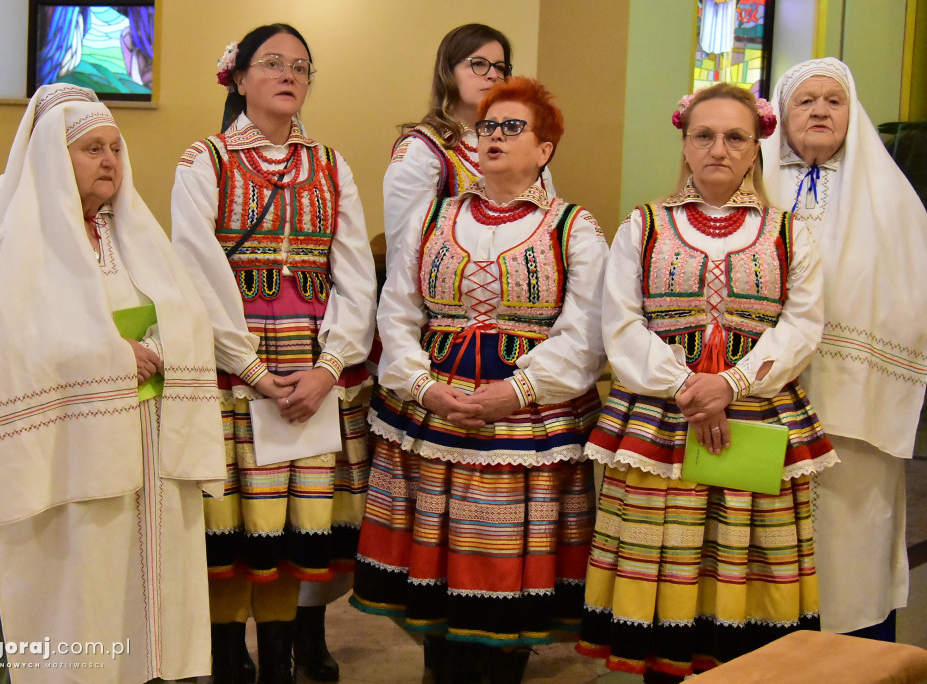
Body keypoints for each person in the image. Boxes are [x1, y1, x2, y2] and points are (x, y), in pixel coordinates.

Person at [0, 84, 226, 683]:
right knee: (83, 589)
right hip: (71, 451)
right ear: (56, 158)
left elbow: (185, 313)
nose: (109, 160)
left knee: (141, 593)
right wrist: (108, 357)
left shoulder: (130, 229)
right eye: (91, 149)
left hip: (148, 443)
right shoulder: (24, 237)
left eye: (115, 147)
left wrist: (162, 347)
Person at [577, 83, 838, 681]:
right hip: (661, 426)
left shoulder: (790, 232)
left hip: (758, 420)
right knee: (667, 565)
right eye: (704, 135)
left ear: (756, 149)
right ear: (686, 145)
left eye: (735, 137)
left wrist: (733, 384)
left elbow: (802, 325)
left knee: (742, 572)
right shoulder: (643, 225)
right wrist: (689, 388)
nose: (719, 148)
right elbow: (620, 323)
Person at [351, 77, 608, 684]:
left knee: (507, 582)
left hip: (527, 423)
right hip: (434, 414)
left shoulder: (574, 227)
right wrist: (422, 385)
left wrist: (514, 391)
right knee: (434, 576)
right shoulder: (432, 217)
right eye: (488, 126)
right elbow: (399, 308)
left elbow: (588, 331)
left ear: (544, 149)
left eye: (512, 127)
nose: (494, 136)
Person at [171, 23, 377, 684]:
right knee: (231, 522)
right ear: (237, 77)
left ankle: (281, 661)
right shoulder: (205, 161)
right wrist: (255, 370)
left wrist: (328, 366)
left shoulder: (332, 165)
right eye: (272, 63)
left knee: (293, 519)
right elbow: (195, 271)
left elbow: (354, 275)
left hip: (310, 369)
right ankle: (229, 659)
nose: (290, 75)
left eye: (301, 66)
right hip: (233, 367)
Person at [763, 58, 927, 640]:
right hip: (765, 397)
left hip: (857, 407)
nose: (820, 111)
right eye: (805, 100)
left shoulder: (893, 201)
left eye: (834, 100)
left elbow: (911, 297)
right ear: (782, 113)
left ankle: (853, 647)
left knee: (850, 533)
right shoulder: (753, 187)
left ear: (852, 113)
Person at [383, 23, 555, 268]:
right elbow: (406, 252)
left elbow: (550, 230)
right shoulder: (421, 150)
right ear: (448, 72)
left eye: (500, 67)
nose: (493, 75)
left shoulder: (526, 145)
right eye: (479, 64)